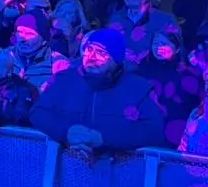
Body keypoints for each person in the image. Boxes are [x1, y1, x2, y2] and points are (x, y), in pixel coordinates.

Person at [29, 29, 165, 156]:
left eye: (101, 53)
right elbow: (38, 112)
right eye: (89, 49)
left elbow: (155, 130)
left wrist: (103, 138)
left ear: (116, 59)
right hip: (66, 164)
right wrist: (66, 131)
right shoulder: (64, 80)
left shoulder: (139, 88)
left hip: (118, 168)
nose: (91, 57)